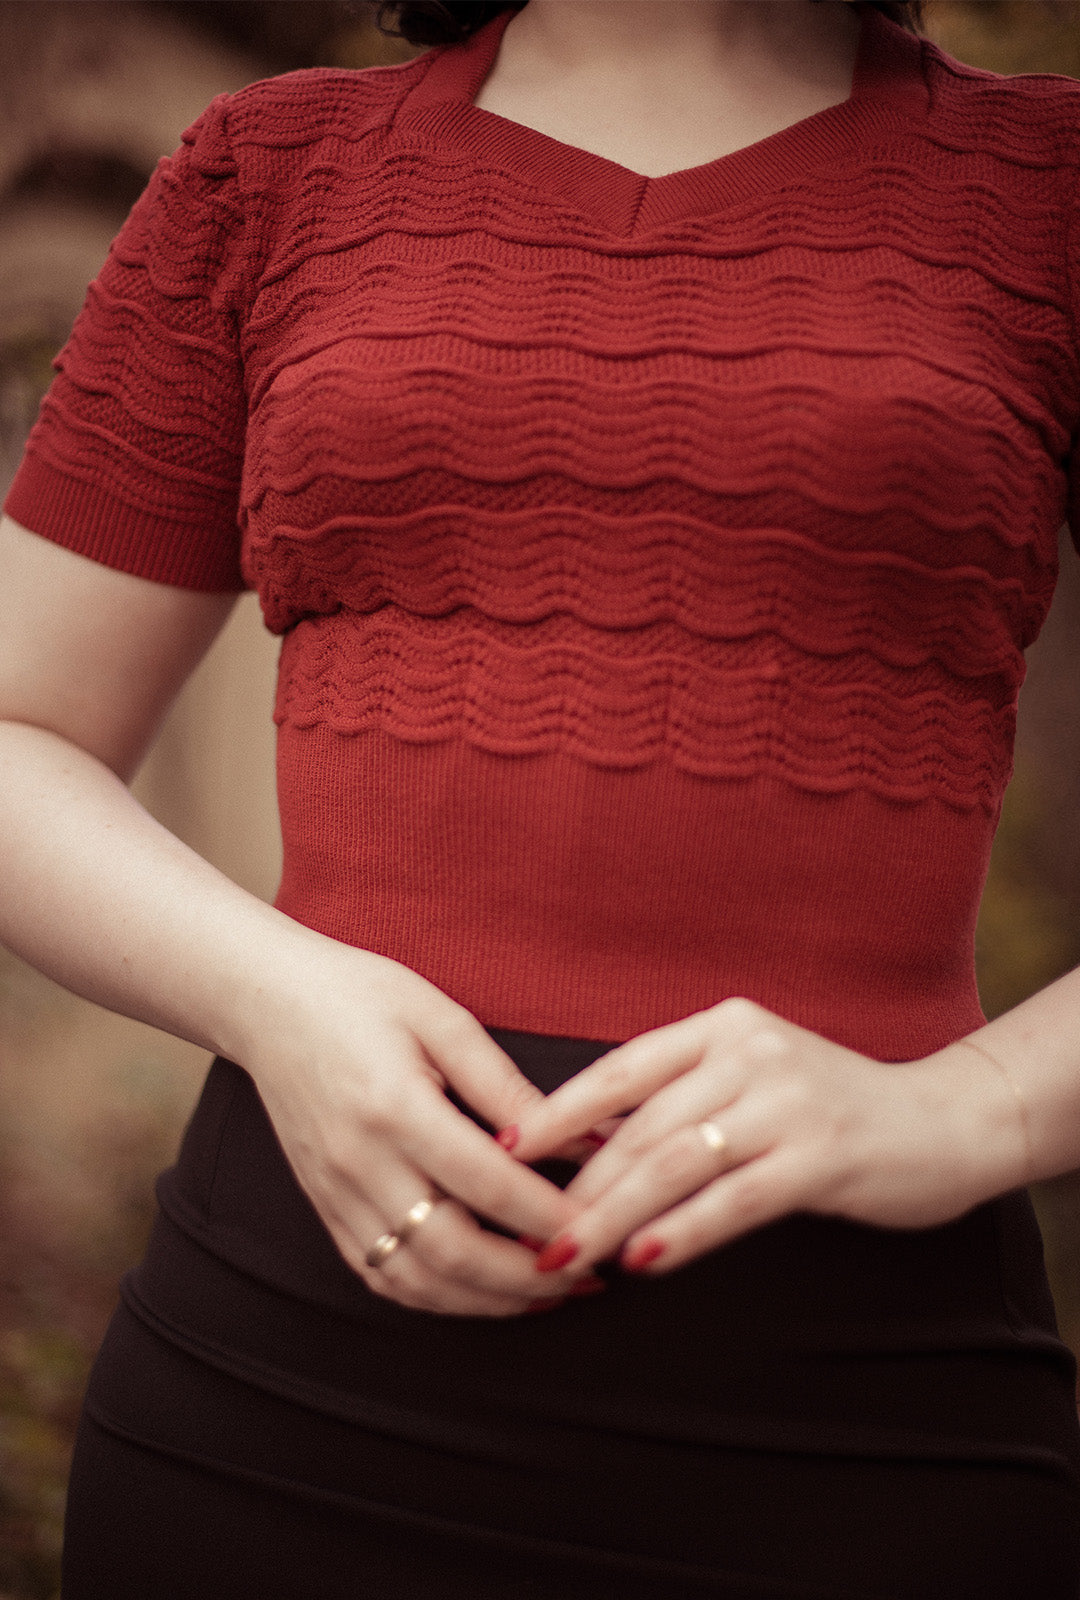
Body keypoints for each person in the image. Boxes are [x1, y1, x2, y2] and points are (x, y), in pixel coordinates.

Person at [1, 0, 1079, 1592]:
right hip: (279, 1402)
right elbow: (21, 731)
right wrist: (278, 998)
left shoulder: (1043, 185)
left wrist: (961, 1109)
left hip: (867, 1428)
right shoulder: (271, 170)